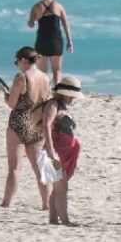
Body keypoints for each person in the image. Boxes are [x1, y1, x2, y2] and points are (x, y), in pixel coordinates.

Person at [2, 46, 52, 210]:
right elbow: (47, 102)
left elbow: (12, 103)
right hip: (37, 125)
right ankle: (46, 205)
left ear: (23, 60)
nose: (17, 65)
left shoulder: (21, 77)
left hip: (19, 125)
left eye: (17, 62)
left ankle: (6, 203)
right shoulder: (45, 77)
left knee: (14, 168)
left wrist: (5, 93)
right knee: (40, 170)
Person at [41, 75, 84, 226]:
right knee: (62, 188)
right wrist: (50, 149)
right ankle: (65, 221)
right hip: (54, 152)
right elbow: (46, 124)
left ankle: (53, 220)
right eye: (72, 95)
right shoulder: (53, 104)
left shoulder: (62, 105)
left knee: (57, 188)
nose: (73, 98)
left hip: (63, 152)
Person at [27, 0, 74, 88]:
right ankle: (57, 91)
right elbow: (66, 25)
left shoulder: (36, 7)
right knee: (57, 70)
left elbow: (30, 24)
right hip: (55, 41)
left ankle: (45, 91)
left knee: (42, 72)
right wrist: (69, 41)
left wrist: (33, 22)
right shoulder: (59, 6)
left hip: (42, 41)